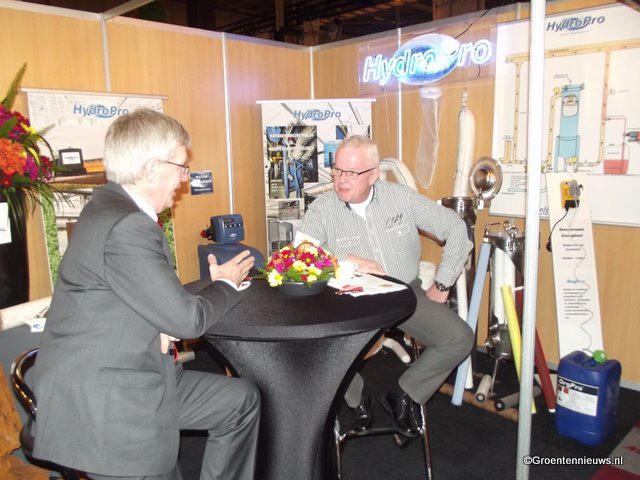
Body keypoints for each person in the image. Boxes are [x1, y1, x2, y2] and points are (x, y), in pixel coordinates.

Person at [31, 108, 260, 480]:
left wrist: (159, 325)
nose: (184, 179)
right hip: (109, 403)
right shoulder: (127, 226)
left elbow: (124, 295)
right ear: (153, 168)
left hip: (132, 370)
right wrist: (226, 284)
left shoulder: (107, 207)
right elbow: (188, 320)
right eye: (181, 167)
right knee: (164, 466)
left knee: (239, 400)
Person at [299, 135, 474, 443]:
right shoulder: (323, 208)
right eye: (337, 170)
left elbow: (457, 228)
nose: (341, 179)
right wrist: (345, 261)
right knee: (320, 349)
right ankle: (357, 397)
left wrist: (443, 283)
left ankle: (406, 393)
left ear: (373, 174)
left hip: (403, 294)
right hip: (349, 299)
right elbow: (300, 258)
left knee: (459, 338)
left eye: (352, 173)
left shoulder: (400, 198)